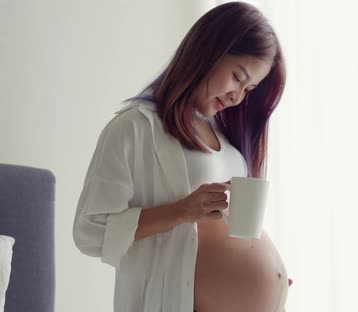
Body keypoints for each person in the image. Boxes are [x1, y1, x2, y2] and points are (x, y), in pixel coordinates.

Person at [72, 2, 292, 311]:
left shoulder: (227, 141)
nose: (237, 96)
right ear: (209, 51)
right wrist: (181, 211)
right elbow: (89, 232)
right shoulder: (134, 128)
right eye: (237, 77)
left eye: (249, 89)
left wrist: (269, 282)